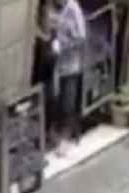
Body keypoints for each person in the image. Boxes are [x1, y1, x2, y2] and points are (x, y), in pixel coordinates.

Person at [48, 0, 88, 156]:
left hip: (71, 66)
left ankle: (66, 139)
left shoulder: (73, 9)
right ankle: (55, 135)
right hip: (59, 65)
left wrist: (62, 45)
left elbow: (81, 38)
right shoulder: (57, 8)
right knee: (55, 100)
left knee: (67, 104)